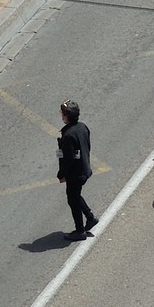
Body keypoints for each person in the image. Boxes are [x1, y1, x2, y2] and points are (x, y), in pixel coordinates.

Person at [57, 100, 97, 240]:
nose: (61, 116)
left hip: (75, 173)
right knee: (75, 195)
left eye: (63, 113)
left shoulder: (68, 135)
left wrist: (61, 174)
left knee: (72, 199)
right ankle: (90, 217)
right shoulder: (82, 127)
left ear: (67, 116)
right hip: (84, 168)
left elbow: (67, 159)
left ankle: (80, 230)